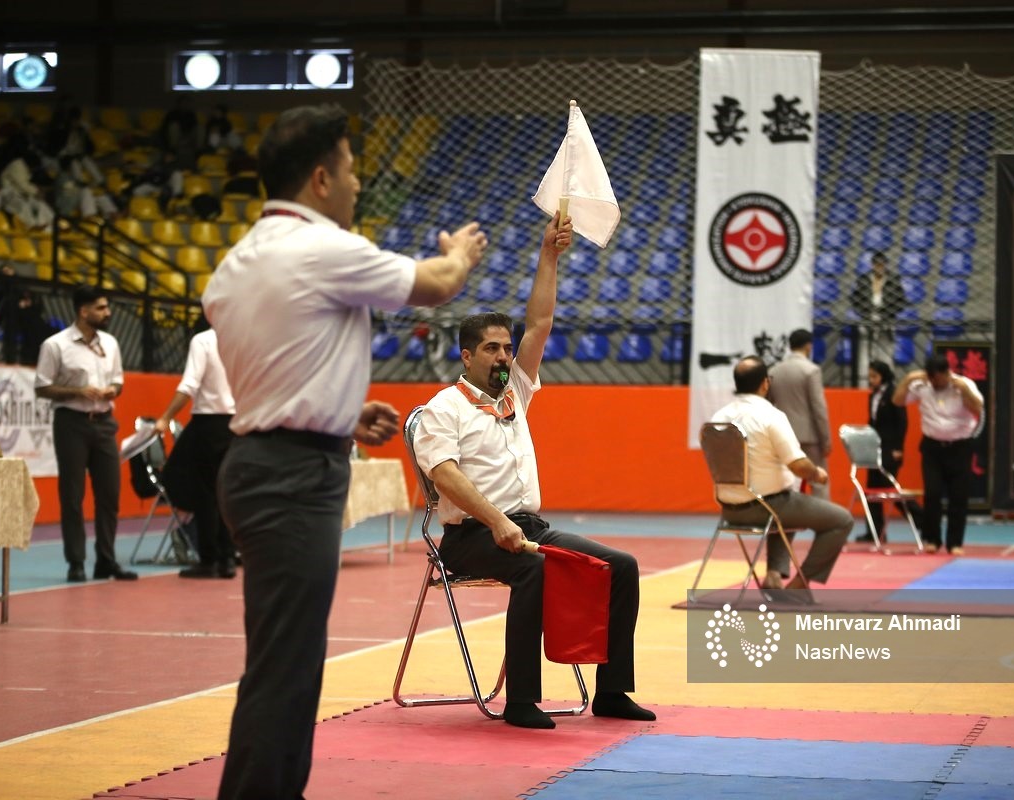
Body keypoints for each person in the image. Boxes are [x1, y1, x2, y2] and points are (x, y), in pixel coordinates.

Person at [201, 103, 487, 800]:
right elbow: (438, 285)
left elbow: (273, 366)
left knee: (283, 659)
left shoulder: (236, 264)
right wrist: (461, 252)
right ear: (321, 179)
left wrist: (339, 414)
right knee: (286, 668)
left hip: (258, 462)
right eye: (352, 169)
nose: (359, 184)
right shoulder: (321, 246)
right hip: (294, 476)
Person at [414, 216, 656, 731]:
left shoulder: (515, 393)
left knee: (621, 566)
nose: (504, 355)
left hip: (530, 528)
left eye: (507, 347)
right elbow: (446, 477)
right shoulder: (443, 408)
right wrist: (497, 522)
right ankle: (521, 701)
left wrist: (550, 253)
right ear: (466, 356)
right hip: (471, 537)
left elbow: (540, 323)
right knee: (535, 569)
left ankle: (613, 692)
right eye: (492, 349)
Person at [710, 356, 853, 596]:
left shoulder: (718, 417)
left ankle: (774, 574)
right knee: (841, 520)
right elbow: (798, 465)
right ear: (766, 383)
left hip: (729, 509)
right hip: (766, 507)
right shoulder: (770, 416)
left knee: (789, 500)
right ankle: (799, 586)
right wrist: (817, 473)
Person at [34, 285, 135, 583]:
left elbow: (119, 381)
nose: (108, 312)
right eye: (101, 308)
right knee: (72, 495)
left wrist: (112, 389)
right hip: (71, 423)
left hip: (104, 422)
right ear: (83, 311)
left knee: (109, 495)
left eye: (106, 307)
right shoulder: (55, 345)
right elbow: (42, 387)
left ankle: (106, 560)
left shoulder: (111, 343)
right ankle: (75, 562)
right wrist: (78, 392)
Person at [154, 318, 237, 579]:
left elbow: (189, 385)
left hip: (209, 423)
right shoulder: (243, 340)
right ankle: (228, 557)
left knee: (205, 494)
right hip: (237, 423)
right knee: (226, 492)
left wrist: (166, 417)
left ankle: (209, 558)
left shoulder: (204, 341)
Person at [892, 354, 984, 555]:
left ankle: (955, 543)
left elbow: (978, 408)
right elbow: (897, 401)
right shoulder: (922, 386)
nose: (935, 383)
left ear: (946, 373)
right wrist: (908, 379)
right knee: (932, 494)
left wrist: (965, 391)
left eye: (938, 379)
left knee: (958, 496)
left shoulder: (964, 384)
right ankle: (932, 539)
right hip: (932, 447)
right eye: (931, 379)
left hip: (960, 446)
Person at [856, 360, 921, 544]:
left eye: (874, 376)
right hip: (875, 449)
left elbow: (902, 422)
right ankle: (875, 531)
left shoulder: (894, 393)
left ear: (883, 376)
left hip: (890, 449)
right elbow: (873, 421)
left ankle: (921, 519)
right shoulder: (873, 396)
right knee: (872, 491)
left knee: (891, 489)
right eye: (870, 376)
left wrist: (898, 448)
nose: (871, 380)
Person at [767, 328, 831, 497]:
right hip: (809, 436)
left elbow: (768, 404)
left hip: (782, 434)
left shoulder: (774, 371)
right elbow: (818, 407)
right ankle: (822, 515)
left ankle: (783, 514)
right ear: (809, 346)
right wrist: (825, 439)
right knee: (818, 482)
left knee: (783, 482)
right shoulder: (811, 370)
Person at [850, 251, 909, 374]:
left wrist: (888, 312)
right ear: (872, 265)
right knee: (864, 351)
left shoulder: (893, 280)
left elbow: (902, 302)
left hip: (887, 319)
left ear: (886, 265)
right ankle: (864, 378)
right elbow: (855, 300)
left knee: (886, 352)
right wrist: (864, 312)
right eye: (877, 265)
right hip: (867, 318)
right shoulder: (864, 280)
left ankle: (887, 378)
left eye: (882, 265)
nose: (879, 268)